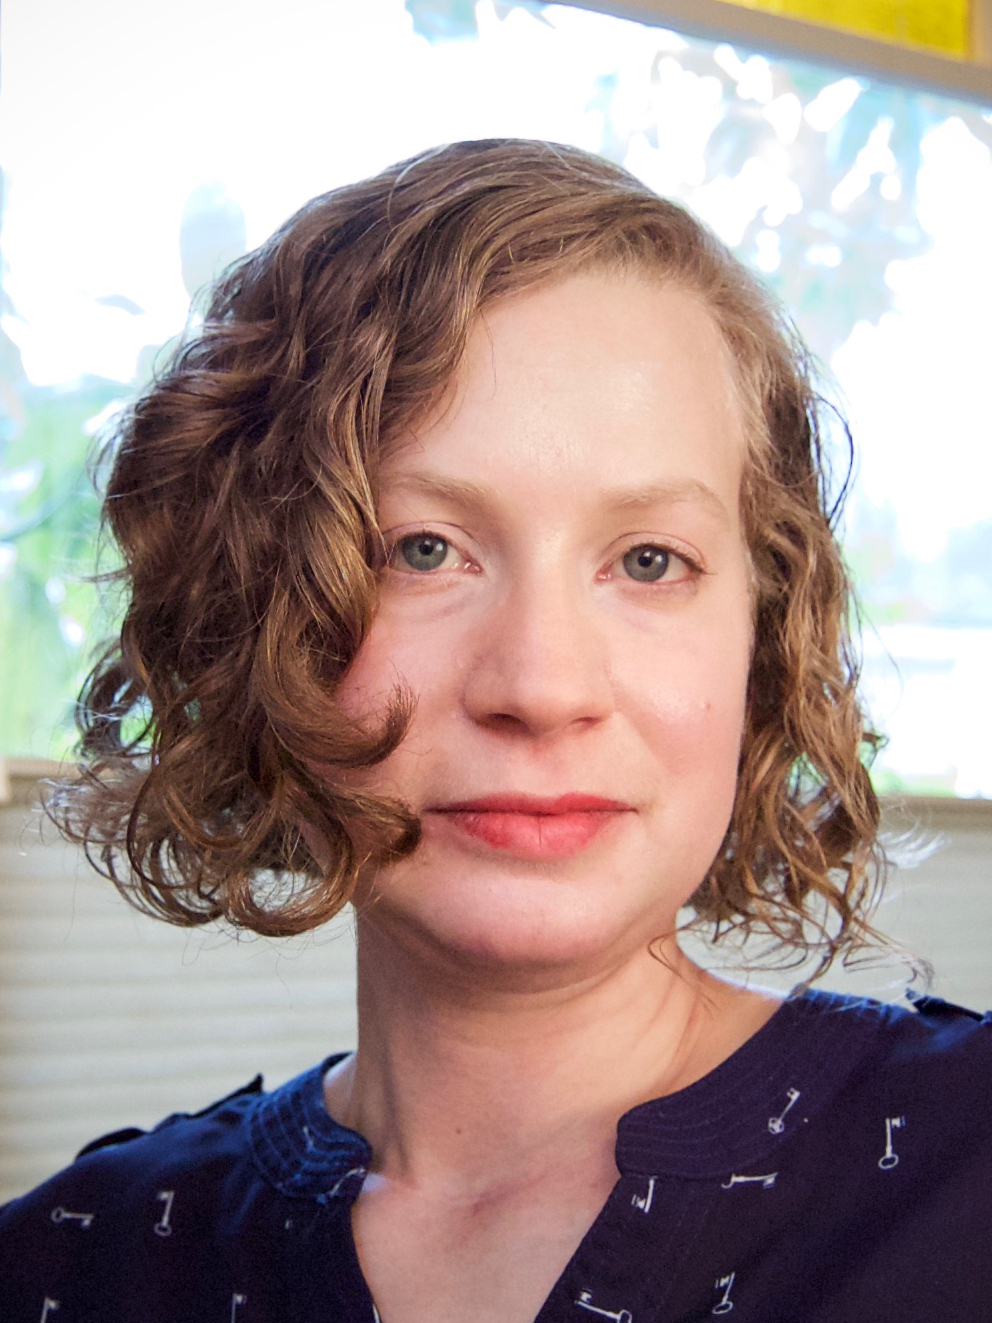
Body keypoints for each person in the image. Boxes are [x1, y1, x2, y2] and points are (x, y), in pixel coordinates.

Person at [0, 139, 989, 1322]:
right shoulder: (68, 1263)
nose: (540, 683)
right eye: (423, 550)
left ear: (761, 639)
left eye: (647, 561)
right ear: (247, 609)